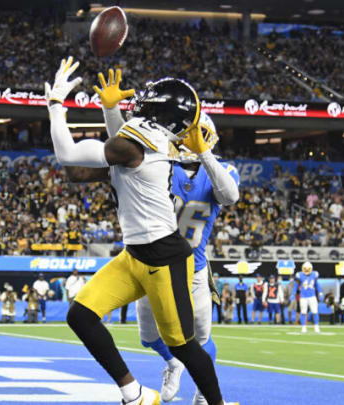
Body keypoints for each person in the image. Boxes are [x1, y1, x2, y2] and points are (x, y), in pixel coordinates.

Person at [48, 59, 230, 405]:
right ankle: (136, 395)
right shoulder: (146, 142)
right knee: (81, 315)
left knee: (183, 346)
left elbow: (67, 154)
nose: (142, 100)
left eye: (150, 98)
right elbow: (81, 170)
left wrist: (56, 105)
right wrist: (109, 108)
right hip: (134, 254)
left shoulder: (136, 143)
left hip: (165, 257)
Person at [128, 112, 238, 403]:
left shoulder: (222, 170)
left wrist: (203, 154)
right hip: (155, 263)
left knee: (200, 338)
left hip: (195, 268)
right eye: (187, 134)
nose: (189, 140)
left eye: (197, 135)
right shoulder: (161, 167)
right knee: (149, 337)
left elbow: (230, 196)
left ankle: (205, 390)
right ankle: (173, 361)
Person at [294, 262, 321, 333]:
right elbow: (296, 286)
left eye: (307, 269)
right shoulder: (299, 275)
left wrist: (320, 292)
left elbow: (317, 284)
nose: (306, 270)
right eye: (305, 269)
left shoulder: (314, 274)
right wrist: (293, 294)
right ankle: (303, 327)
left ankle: (316, 327)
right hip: (303, 296)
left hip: (312, 296)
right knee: (303, 312)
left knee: (315, 311)